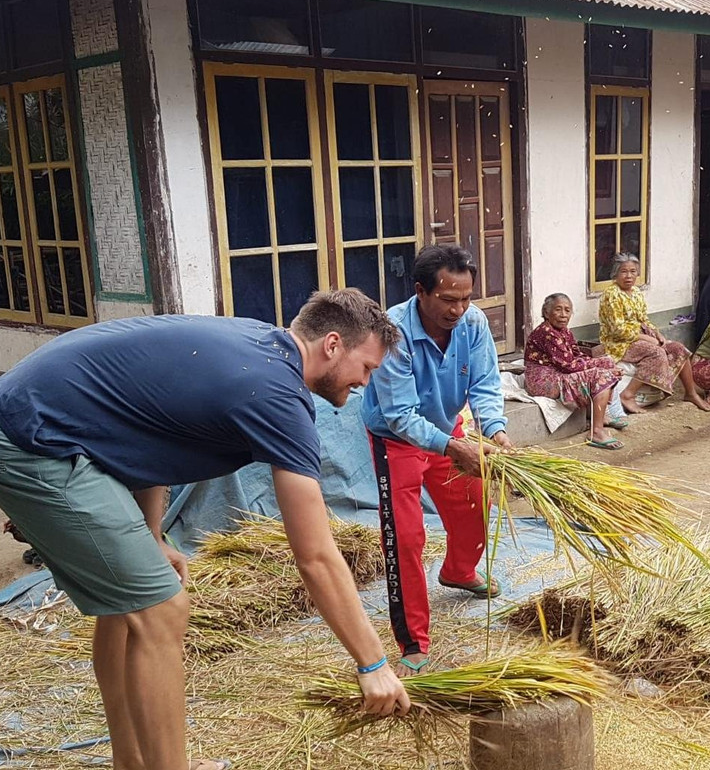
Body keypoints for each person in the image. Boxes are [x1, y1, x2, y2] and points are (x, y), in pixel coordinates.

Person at [0, 290, 411, 770]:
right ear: (333, 344)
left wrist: (152, 536)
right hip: (35, 437)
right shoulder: (277, 396)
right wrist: (373, 663)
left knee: (127, 606)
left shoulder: (260, 347)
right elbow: (316, 556)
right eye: (367, 367)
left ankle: (131, 761)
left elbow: (150, 435)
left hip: (49, 420)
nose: (365, 383)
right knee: (161, 607)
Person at [361, 245, 513, 677]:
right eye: (448, 299)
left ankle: (459, 572)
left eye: (466, 297)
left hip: (449, 431)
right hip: (397, 438)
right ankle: (413, 640)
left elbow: (484, 383)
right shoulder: (392, 330)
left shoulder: (474, 322)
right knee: (406, 538)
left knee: (475, 506)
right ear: (421, 292)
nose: (459, 309)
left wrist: (496, 431)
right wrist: (451, 445)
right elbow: (400, 414)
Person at [599, 252, 710, 413]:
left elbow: (644, 319)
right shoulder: (611, 294)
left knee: (678, 348)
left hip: (639, 338)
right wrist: (644, 337)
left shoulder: (636, 292)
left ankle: (691, 393)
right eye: (624, 271)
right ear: (615, 274)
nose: (629, 276)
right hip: (618, 342)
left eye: (633, 271)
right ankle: (628, 395)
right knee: (656, 353)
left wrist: (656, 333)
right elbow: (617, 330)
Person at [525, 293, 625, 450]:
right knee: (602, 374)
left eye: (567, 310)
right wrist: (600, 367)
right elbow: (568, 365)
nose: (563, 315)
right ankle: (597, 432)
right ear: (546, 312)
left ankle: (599, 415)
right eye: (558, 310)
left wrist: (603, 364)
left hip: (558, 372)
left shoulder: (565, 331)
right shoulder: (546, 332)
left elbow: (577, 356)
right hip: (544, 381)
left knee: (607, 362)